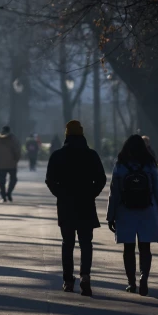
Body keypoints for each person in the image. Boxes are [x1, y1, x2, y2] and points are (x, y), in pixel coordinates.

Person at [45, 120, 107, 296]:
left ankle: (68, 280)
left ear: (66, 134)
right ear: (82, 134)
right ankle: (85, 276)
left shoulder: (57, 155)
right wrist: (91, 193)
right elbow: (101, 179)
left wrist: (60, 194)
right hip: (86, 203)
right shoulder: (91, 155)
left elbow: (49, 180)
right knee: (86, 243)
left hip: (66, 205)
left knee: (67, 243)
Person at [106, 134, 158, 297]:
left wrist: (110, 215)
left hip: (125, 210)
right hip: (148, 209)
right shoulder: (150, 165)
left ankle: (131, 282)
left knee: (128, 248)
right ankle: (144, 276)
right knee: (145, 247)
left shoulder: (120, 165)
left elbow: (114, 192)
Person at [0, 125, 21, 202]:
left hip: (1, 164)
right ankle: (9, 192)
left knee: (1, 181)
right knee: (13, 179)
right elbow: (17, 151)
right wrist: (16, 159)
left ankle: (3, 196)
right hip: (12, 163)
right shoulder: (13, 139)